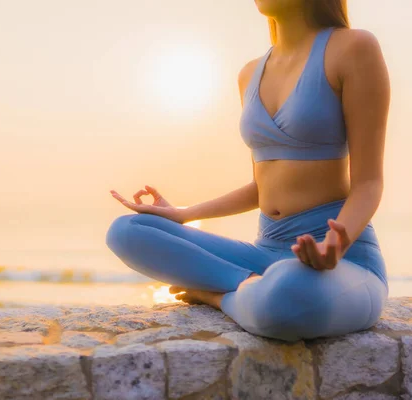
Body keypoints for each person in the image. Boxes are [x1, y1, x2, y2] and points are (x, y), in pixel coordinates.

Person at [105, 0, 390, 343]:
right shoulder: (249, 73)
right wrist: (183, 214)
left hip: (343, 262)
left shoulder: (354, 48)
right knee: (127, 231)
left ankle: (217, 295)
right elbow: (262, 186)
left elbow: (369, 183)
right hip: (265, 251)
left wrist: (337, 242)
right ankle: (250, 287)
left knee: (286, 293)